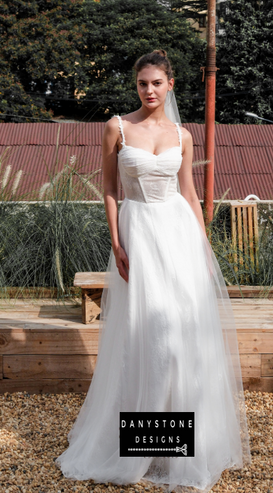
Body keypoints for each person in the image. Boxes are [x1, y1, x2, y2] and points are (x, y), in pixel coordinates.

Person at [55, 50, 251, 492]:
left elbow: (190, 195)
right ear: (136, 85)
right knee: (145, 332)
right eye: (142, 83)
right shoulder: (117, 128)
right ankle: (138, 443)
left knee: (180, 335)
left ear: (170, 85)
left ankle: (176, 445)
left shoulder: (183, 135)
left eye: (156, 83)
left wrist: (203, 246)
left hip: (178, 235)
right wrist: (117, 242)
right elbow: (107, 188)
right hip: (139, 231)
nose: (148, 90)